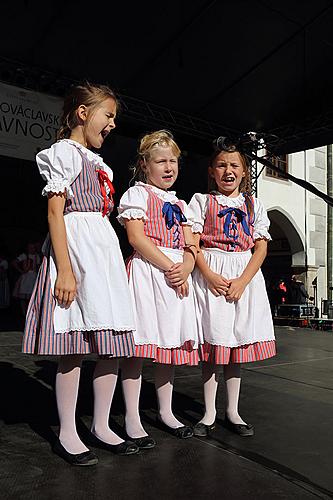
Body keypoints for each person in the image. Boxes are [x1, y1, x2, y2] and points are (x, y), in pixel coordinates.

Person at [22, 83, 138, 466]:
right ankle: (68, 431)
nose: (112, 124)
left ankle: (102, 425)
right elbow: (56, 213)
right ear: (84, 113)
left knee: (111, 343)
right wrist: (66, 271)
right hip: (78, 251)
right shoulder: (63, 154)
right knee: (73, 345)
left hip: (102, 253)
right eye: (108, 115)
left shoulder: (97, 162)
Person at [117, 130, 201, 444]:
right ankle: (133, 416)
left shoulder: (181, 203)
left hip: (177, 274)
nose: (168, 167)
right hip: (149, 272)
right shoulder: (137, 195)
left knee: (169, 347)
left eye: (173, 161)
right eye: (161, 161)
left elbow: (192, 243)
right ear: (144, 165)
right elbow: (136, 238)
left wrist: (188, 267)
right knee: (140, 347)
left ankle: (165, 411)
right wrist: (170, 267)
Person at [189, 138, 276, 438]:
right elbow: (193, 243)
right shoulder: (201, 202)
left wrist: (242, 281)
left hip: (243, 275)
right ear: (212, 171)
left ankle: (233, 410)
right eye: (222, 165)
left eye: (234, 165)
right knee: (214, 344)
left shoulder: (254, 205)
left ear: (244, 172)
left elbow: (261, 249)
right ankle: (209, 411)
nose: (228, 170)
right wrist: (209, 275)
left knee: (235, 347)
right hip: (213, 274)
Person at [12, 242, 41, 315]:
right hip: (26, 277)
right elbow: (14, 262)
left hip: (34, 276)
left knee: (32, 295)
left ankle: (30, 311)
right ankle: (24, 312)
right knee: (23, 296)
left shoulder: (36, 256)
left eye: (33, 247)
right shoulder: (24, 256)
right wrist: (21, 271)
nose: (32, 249)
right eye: (30, 247)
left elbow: (37, 267)